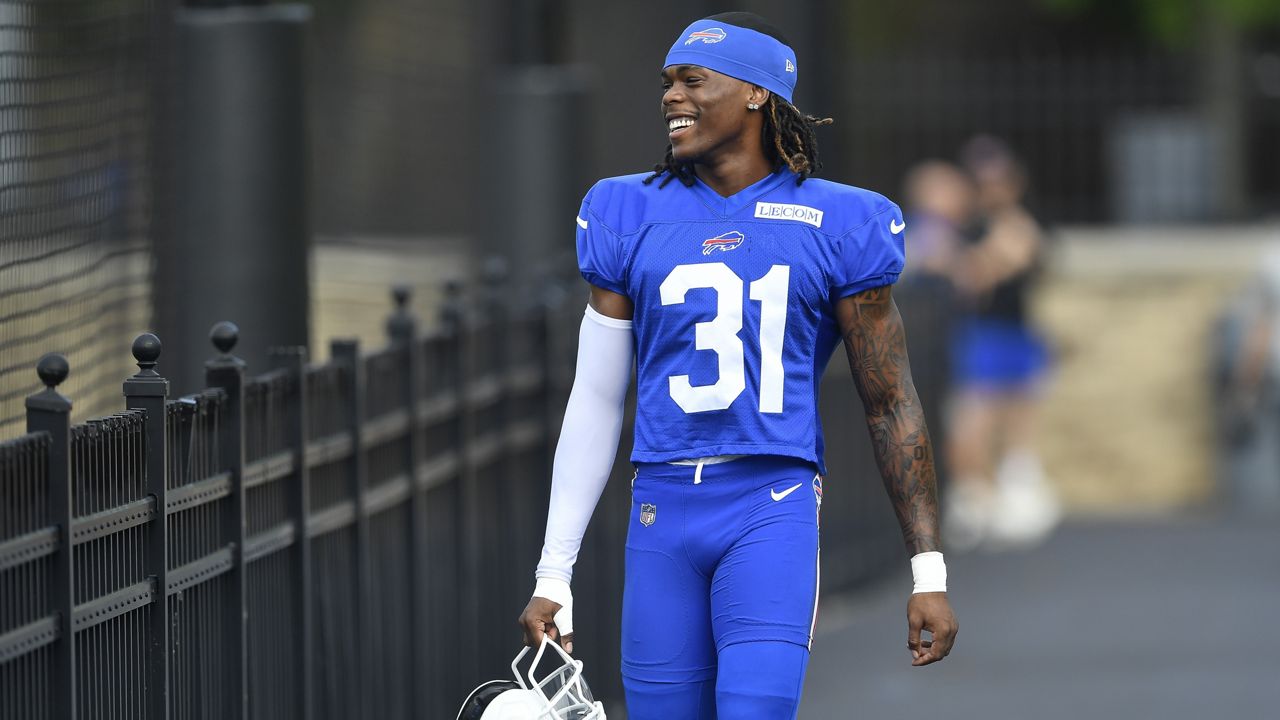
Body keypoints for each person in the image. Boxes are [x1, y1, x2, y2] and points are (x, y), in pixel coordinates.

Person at [518, 12, 957, 718]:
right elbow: (596, 397)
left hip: (770, 505)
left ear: (757, 93)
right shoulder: (627, 210)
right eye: (668, 81)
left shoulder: (839, 221)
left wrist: (927, 570)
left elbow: (890, 399)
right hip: (661, 506)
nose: (672, 95)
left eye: (694, 80)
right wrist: (553, 572)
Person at [943, 136, 1060, 551]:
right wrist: (998, 255)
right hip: (982, 334)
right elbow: (968, 277)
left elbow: (1036, 261)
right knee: (974, 420)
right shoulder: (969, 227)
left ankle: (1016, 499)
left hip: (1018, 332)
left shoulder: (1029, 222)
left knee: (1020, 418)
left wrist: (1007, 253)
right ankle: (975, 499)